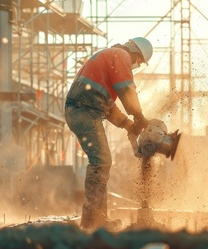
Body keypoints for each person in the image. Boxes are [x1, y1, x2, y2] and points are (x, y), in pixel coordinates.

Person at [64, 37, 153, 230]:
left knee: (101, 161)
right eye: (138, 62)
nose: (136, 66)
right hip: (84, 111)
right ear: (136, 54)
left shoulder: (109, 59)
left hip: (82, 110)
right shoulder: (120, 55)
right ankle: (93, 219)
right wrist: (139, 115)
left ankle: (96, 218)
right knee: (101, 161)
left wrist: (130, 125)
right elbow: (126, 89)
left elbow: (109, 107)